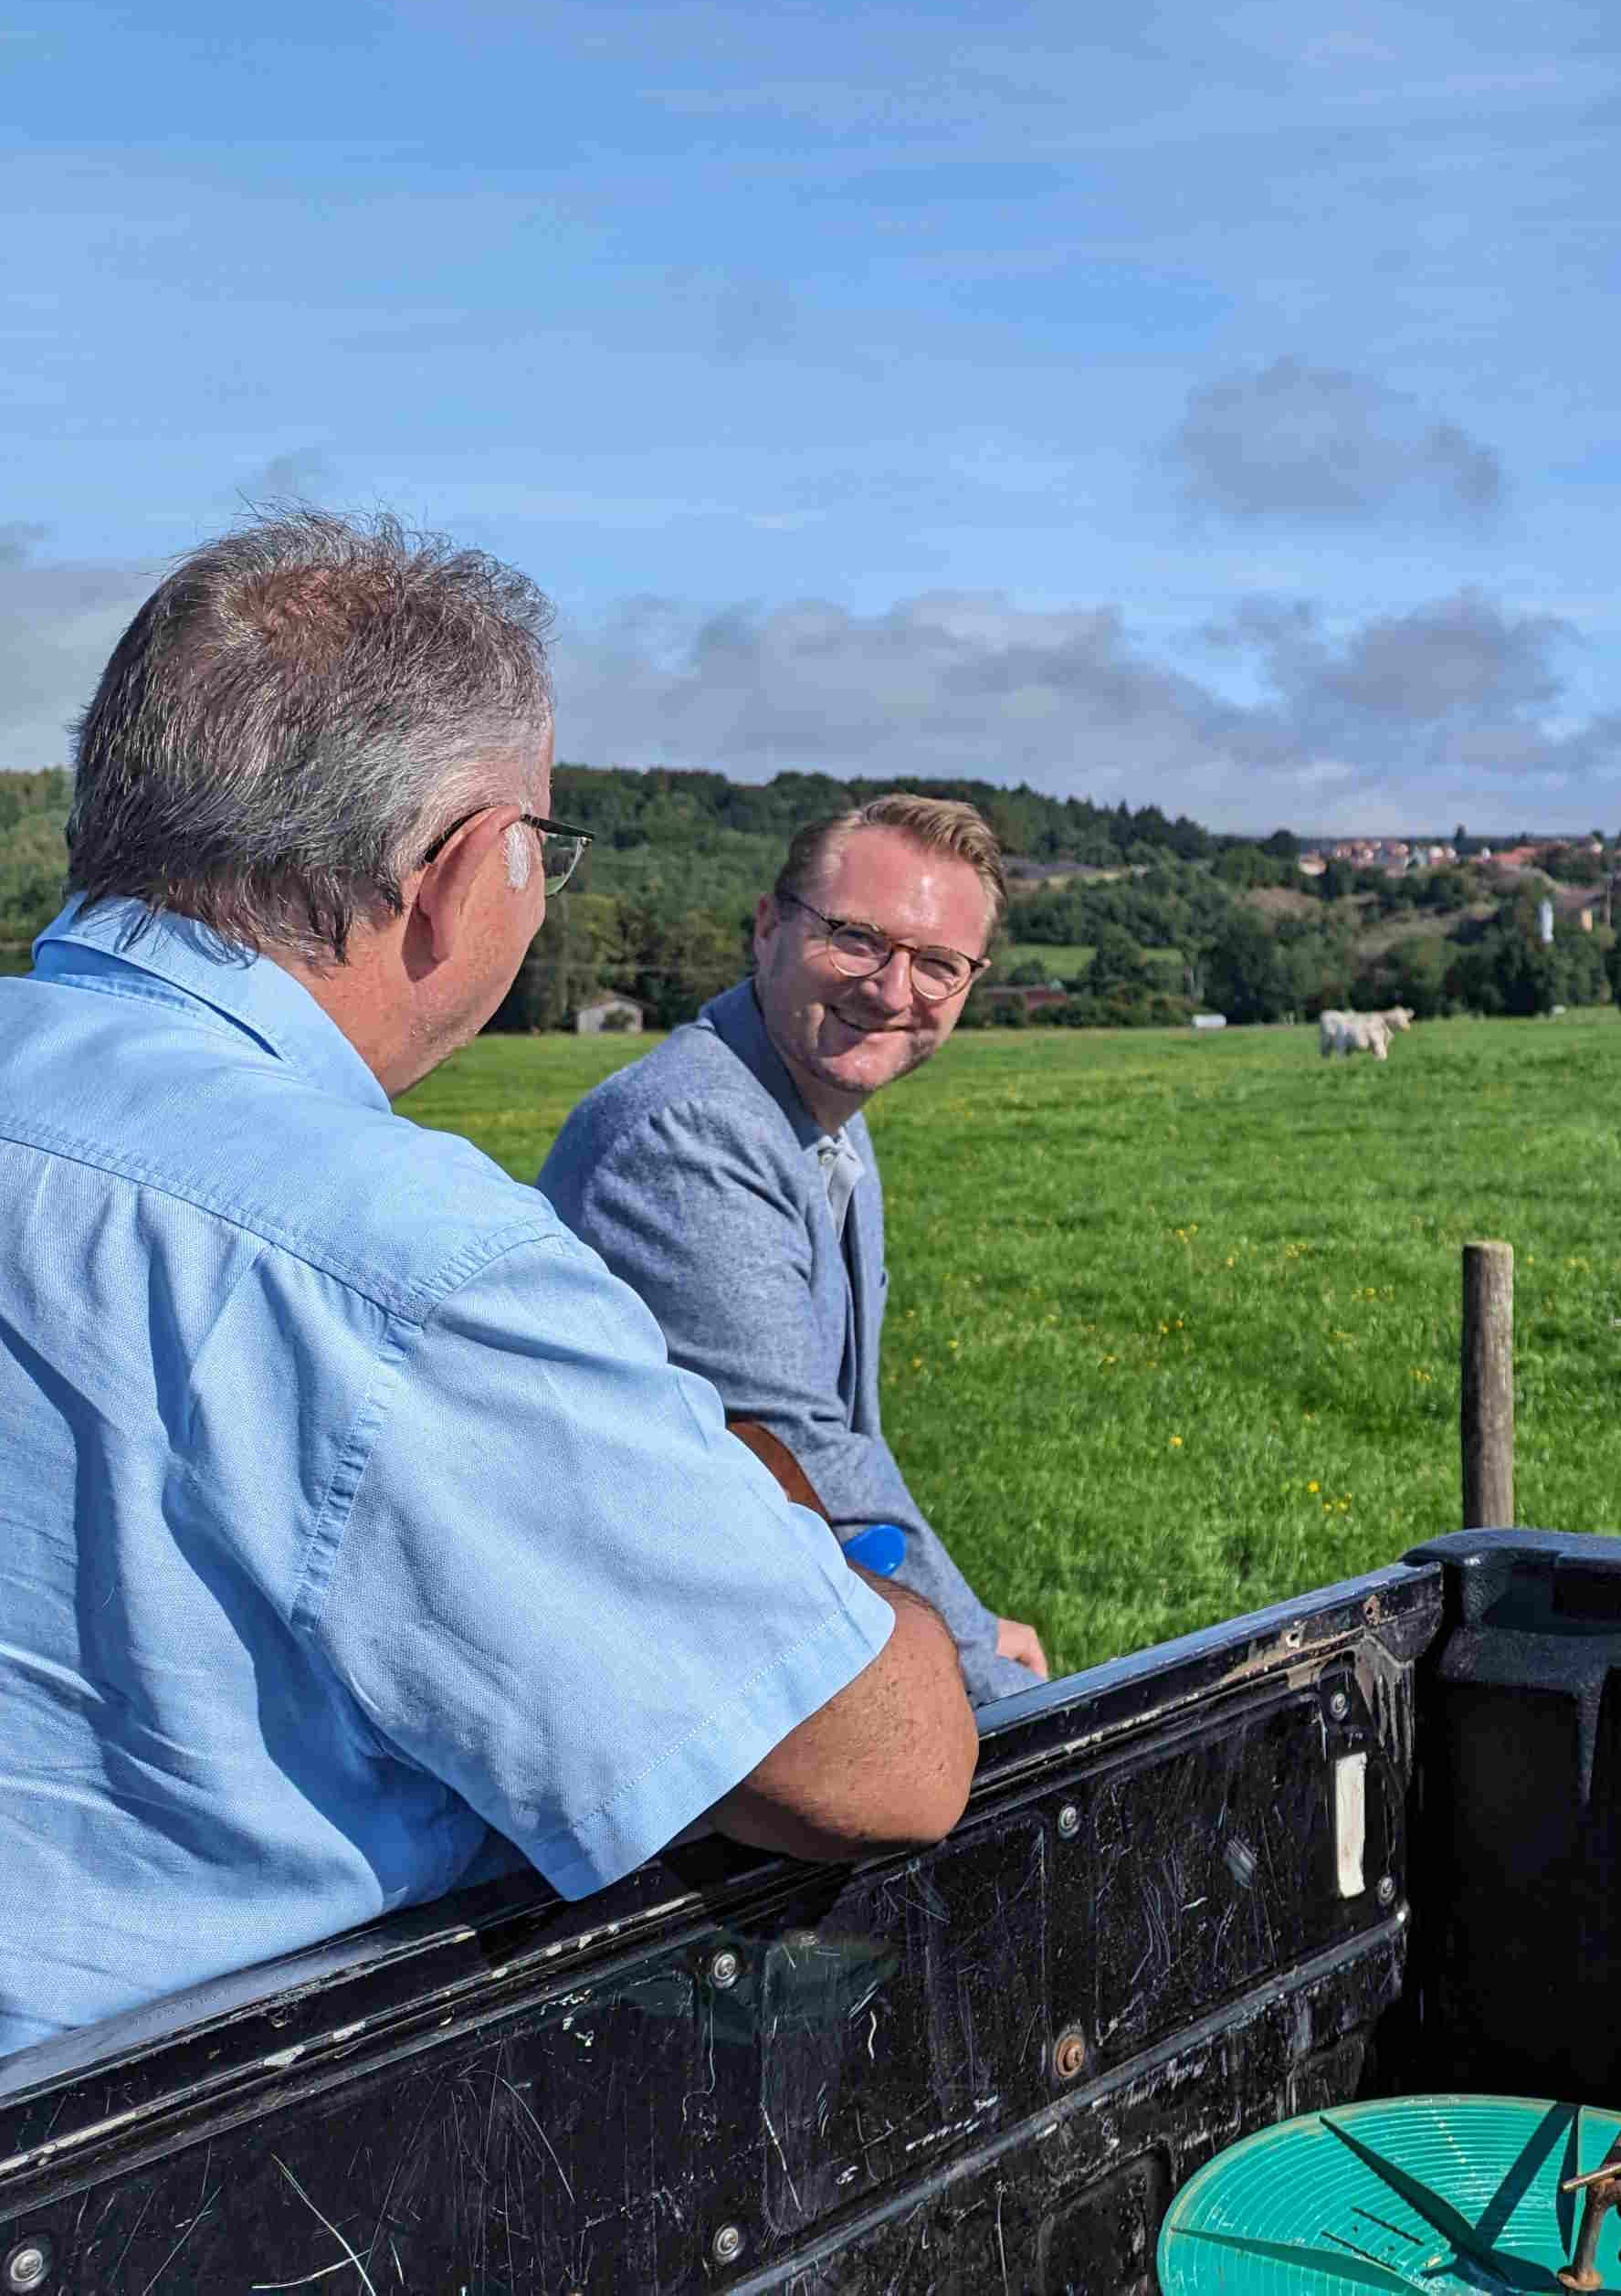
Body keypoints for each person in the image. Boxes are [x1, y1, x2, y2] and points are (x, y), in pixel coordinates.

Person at [0, 513, 974, 2060]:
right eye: (542, 843)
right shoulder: (396, 1253)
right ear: (458, 874)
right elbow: (882, 1759)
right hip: (189, 2178)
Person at [540, 794, 1045, 1707]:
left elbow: (847, 1438)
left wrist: (961, 1624)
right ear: (768, 927)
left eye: (937, 964)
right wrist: (988, 1681)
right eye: (857, 938)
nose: (893, 991)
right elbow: (803, 1457)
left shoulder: (816, 1116)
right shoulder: (691, 1134)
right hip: (647, 1697)